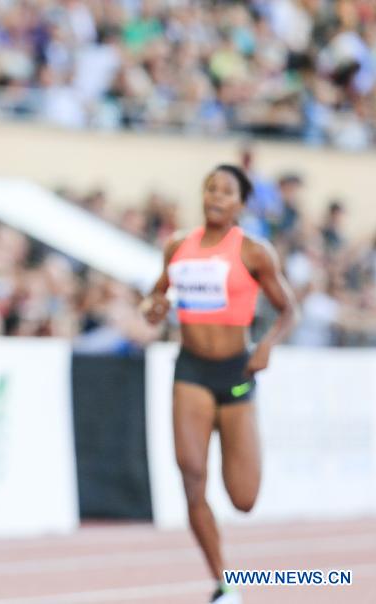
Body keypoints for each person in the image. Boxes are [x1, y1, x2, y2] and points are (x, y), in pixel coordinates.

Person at [141, 164, 298, 604]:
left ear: (240, 204)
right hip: (191, 370)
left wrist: (266, 345)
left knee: (243, 498)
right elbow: (157, 295)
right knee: (191, 477)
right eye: (210, 188)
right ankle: (224, 584)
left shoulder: (253, 251)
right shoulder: (177, 246)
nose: (215, 197)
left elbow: (289, 310)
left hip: (236, 373)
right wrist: (152, 307)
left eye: (226, 192)